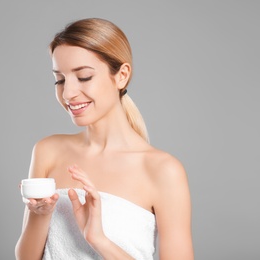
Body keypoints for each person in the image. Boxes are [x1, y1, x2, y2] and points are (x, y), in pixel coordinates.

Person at [15, 17, 194, 260]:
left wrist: (99, 240)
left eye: (84, 76)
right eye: (60, 79)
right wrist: (41, 213)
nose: (67, 93)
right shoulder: (48, 150)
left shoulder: (163, 170)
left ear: (121, 75)